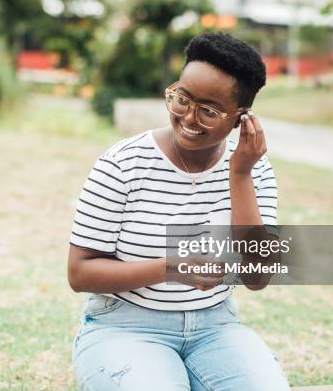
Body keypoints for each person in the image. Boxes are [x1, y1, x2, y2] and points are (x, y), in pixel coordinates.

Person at [67, 32, 290, 390]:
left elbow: (257, 277)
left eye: (209, 110)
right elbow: (79, 273)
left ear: (240, 118)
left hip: (216, 327)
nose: (189, 116)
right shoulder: (123, 164)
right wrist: (170, 269)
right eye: (182, 98)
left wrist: (241, 174)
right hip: (124, 326)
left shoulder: (255, 170)